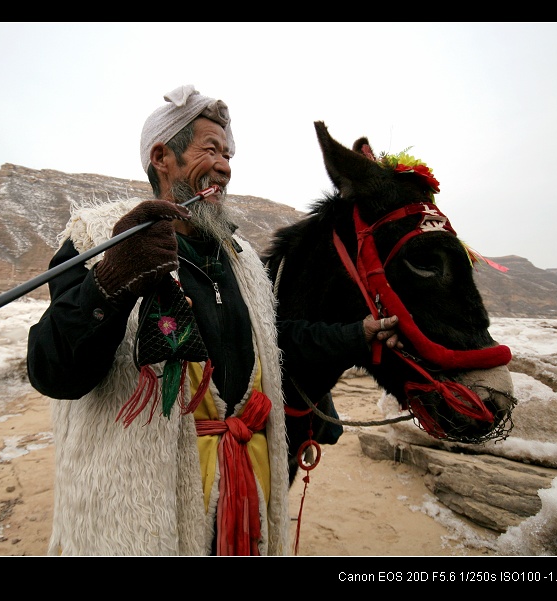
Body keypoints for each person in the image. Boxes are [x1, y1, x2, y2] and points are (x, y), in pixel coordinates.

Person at [26, 84, 401, 556]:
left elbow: (277, 345)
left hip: (246, 497)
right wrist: (111, 279)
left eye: (228, 153)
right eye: (210, 149)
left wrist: (355, 335)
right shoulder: (96, 240)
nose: (225, 164)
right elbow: (51, 370)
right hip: (147, 513)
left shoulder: (239, 257)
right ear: (163, 157)